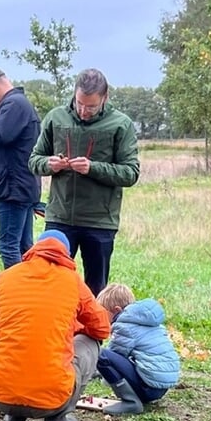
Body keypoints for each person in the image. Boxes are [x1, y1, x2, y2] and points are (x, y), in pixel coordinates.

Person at [0, 230, 111, 421]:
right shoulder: (72, 281)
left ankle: (14, 416)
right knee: (91, 342)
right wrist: (71, 327)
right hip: (51, 402)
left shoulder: (7, 276)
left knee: (0, 335)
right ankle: (59, 419)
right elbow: (102, 329)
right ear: (66, 253)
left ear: (35, 249)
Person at [30, 68, 141, 295]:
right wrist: (48, 164)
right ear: (74, 94)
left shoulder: (121, 124)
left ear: (105, 98)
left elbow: (130, 173)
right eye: (80, 103)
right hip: (59, 218)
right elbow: (34, 160)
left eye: (91, 106)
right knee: (52, 285)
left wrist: (93, 168)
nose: (83, 111)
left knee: (95, 290)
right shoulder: (55, 118)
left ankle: (94, 330)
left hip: (99, 222)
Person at [0, 65, 41, 268]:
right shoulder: (18, 104)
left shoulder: (13, 105)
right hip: (21, 187)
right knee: (24, 247)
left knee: (9, 246)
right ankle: (31, 289)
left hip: (13, 190)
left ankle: (17, 293)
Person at [93, 282, 180, 416]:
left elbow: (114, 355)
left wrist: (102, 375)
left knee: (100, 354)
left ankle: (130, 402)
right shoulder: (146, 321)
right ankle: (135, 397)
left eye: (104, 314)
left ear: (116, 310)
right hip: (160, 388)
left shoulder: (124, 325)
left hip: (148, 388)